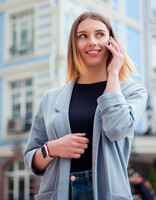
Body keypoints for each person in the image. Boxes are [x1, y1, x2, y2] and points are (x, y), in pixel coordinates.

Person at [24, 12, 147, 200]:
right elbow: (32, 160)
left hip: (107, 193)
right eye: (83, 36)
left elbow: (116, 128)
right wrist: (52, 149)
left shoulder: (133, 92)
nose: (92, 41)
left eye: (100, 34)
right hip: (60, 193)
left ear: (112, 42)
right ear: (75, 45)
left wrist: (113, 73)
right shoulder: (50, 98)